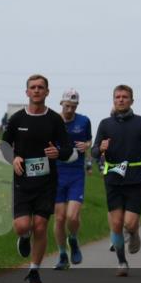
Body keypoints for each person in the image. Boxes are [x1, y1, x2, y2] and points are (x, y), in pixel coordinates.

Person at [1, 75, 74, 283]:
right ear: (27, 92)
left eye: (40, 87)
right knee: (23, 226)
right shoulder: (17, 119)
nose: (36, 90)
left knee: (40, 226)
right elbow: (5, 145)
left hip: (46, 183)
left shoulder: (54, 119)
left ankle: (34, 270)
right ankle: (24, 238)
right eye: (32, 87)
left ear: (47, 92)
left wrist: (58, 153)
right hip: (22, 182)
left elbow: (68, 148)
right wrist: (13, 158)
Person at [90, 85, 141, 277]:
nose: (121, 100)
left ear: (131, 100)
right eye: (117, 97)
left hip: (135, 178)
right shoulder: (105, 124)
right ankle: (121, 261)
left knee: (129, 223)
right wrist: (100, 149)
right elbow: (94, 151)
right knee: (117, 223)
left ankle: (134, 233)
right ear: (113, 100)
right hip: (112, 178)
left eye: (125, 97)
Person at [53, 89, 92, 269]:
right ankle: (62, 255)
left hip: (76, 173)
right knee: (60, 218)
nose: (70, 110)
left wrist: (87, 145)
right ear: (61, 104)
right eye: (67, 106)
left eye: (73, 106)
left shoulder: (84, 121)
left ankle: (73, 239)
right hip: (57, 173)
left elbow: (89, 141)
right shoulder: (53, 121)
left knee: (72, 216)